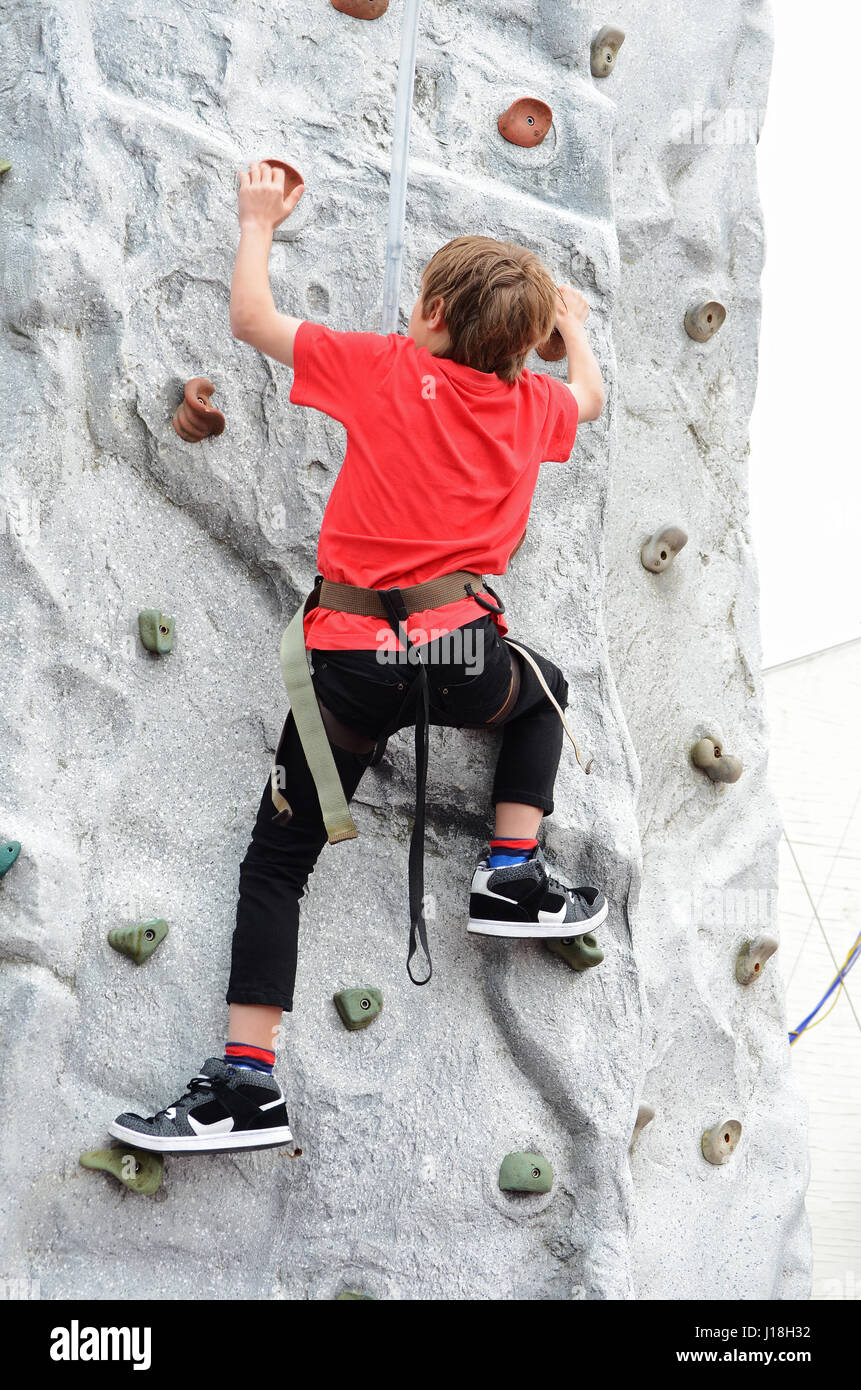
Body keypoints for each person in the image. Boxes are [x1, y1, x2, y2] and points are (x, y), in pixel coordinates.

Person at [109, 161, 608, 1155]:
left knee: (281, 862)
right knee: (544, 692)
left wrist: (258, 220)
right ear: (525, 351)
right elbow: (587, 393)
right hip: (461, 651)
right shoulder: (533, 409)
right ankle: (513, 868)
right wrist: (575, 329)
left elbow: (253, 318)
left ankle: (247, 1082)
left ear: (424, 313)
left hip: (348, 664)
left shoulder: (385, 367)